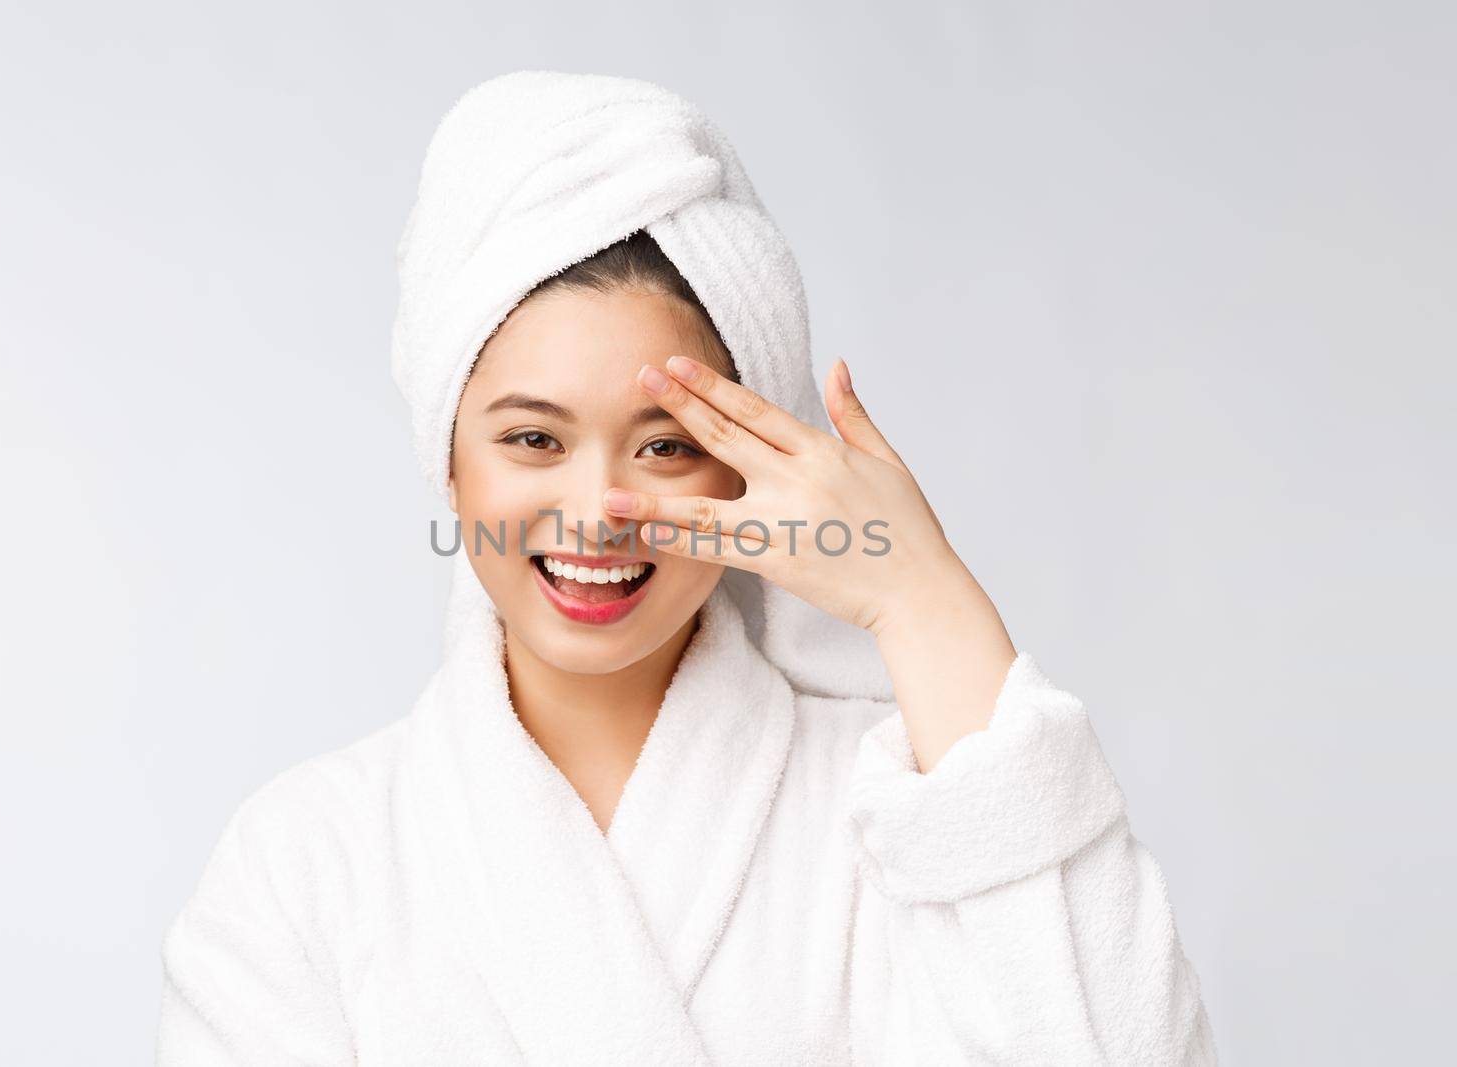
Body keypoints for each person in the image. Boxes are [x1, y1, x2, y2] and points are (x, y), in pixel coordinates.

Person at [157, 71, 1218, 1066]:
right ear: (446, 460)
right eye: (532, 440)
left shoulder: (893, 800)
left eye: (667, 445)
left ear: (747, 469)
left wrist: (921, 599)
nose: (597, 509)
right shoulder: (307, 858)